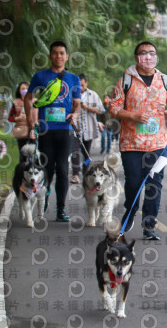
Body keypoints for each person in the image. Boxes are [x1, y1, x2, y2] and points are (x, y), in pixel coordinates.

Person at [110, 41, 167, 240]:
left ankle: (149, 225)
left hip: (158, 145)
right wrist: (132, 116)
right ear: (136, 57)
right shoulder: (126, 81)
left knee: (154, 185)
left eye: (152, 53)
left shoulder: (166, 81)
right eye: (143, 53)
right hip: (131, 144)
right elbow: (114, 108)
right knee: (134, 183)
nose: (148, 57)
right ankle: (130, 212)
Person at [24, 40, 81, 222]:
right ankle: (44, 205)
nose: (58, 56)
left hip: (65, 130)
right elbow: (28, 98)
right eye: (55, 53)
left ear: (66, 56)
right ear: (50, 56)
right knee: (47, 170)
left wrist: (75, 115)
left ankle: (61, 210)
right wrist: (30, 122)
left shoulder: (73, 79)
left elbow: (77, 105)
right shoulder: (40, 76)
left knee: (63, 170)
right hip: (46, 130)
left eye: (61, 53)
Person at [70, 73, 105, 183]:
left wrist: (86, 107)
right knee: (75, 152)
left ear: (86, 84)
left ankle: (86, 174)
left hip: (88, 130)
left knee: (86, 154)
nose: (81, 88)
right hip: (75, 129)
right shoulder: (71, 94)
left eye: (83, 85)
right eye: (78, 86)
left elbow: (100, 110)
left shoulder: (93, 95)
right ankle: (75, 174)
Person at [8, 81, 38, 162]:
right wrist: (18, 118)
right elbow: (10, 118)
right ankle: (22, 171)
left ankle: (34, 169)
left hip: (33, 129)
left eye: (27, 88)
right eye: (23, 89)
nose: (25, 90)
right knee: (23, 154)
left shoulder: (36, 102)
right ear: (19, 91)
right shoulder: (16, 102)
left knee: (34, 152)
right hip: (21, 130)